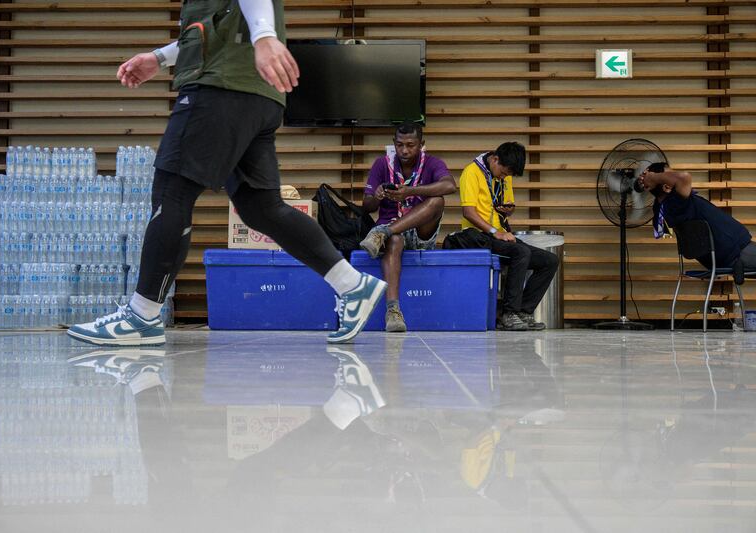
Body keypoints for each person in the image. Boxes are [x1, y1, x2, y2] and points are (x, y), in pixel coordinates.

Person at [68, 0, 386, 346]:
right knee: (262, 208)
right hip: (256, 96)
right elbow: (213, 29)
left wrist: (264, 36)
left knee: (172, 190)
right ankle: (352, 285)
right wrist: (159, 59)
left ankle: (142, 314)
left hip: (221, 88)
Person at [446, 142, 558, 331]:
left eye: (508, 175)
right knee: (521, 252)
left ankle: (523, 312)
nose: (505, 177)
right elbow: (468, 212)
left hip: (500, 235)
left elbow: (507, 207)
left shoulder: (504, 176)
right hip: (478, 236)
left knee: (550, 260)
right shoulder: (471, 172)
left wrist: (508, 210)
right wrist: (495, 232)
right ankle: (509, 314)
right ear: (495, 159)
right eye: (504, 173)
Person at [358, 123, 456, 332]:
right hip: (392, 232)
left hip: (421, 233)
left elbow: (450, 186)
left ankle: (383, 232)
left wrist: (410, 191)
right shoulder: (381, 164)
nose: (404, 150)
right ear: (394, 144)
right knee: (394, 239)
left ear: (421, 145)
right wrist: (375, 196)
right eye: (400, 145)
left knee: (437, 201)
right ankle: (393, 312)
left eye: (411, 145)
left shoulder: (432, 163)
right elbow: (366, 207)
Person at [639, 165, 755, 281]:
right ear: (666, 186)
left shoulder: (663, 207)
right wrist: (653, 177)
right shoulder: (677, 202)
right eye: (669, 175)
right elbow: (684, 177)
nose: (674, 176)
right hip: (737, 252)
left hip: (728, 255)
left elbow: (663, 231)